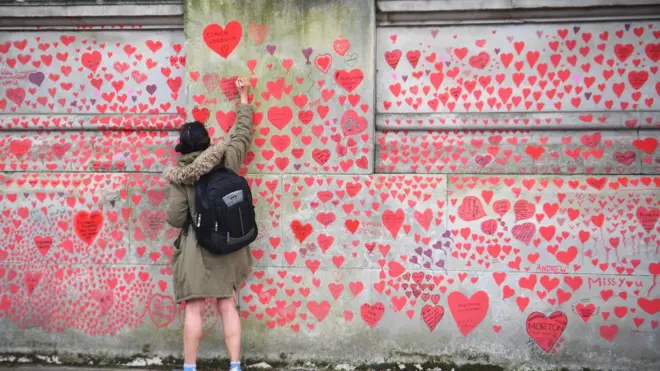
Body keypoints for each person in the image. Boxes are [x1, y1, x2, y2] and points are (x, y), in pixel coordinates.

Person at [164, 77, 254, 371]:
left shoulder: (181, 177)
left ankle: (190, 367)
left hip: (198, 249)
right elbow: (242, 134)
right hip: (229, 245)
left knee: (194, 307)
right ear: (206, 141)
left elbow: (176, 218)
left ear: (183, 149)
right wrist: (243, 98)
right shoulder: (226, 158)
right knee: (228, 304)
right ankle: (235, 365)